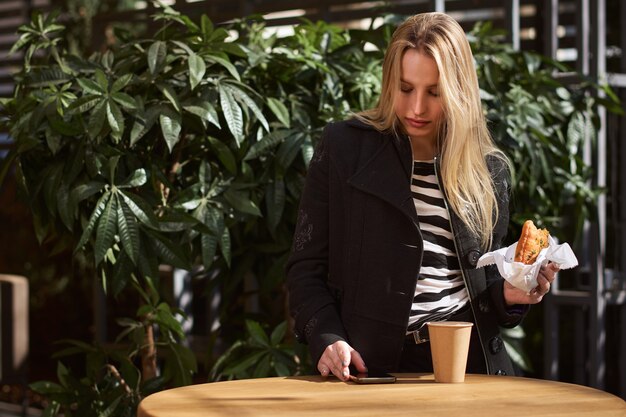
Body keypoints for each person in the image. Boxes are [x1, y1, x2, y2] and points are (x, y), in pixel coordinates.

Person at [285, 12, 559, 381]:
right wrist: (327, 338)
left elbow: (482, 284)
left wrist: (512, 293)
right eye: (405, 88)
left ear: (459, 90)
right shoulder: (344, 147)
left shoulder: (488, 169)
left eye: (434, 92)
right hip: (370, 365)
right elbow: (305, 269)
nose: (417, 108)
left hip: (468, 364)